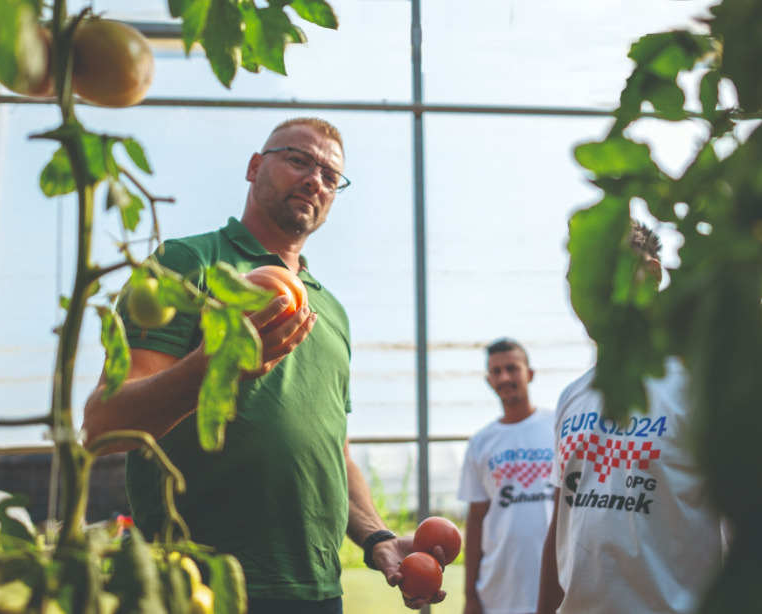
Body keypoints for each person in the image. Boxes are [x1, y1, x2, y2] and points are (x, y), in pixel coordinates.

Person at [82, 118, 445, 613]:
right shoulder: (187, 264)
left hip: (315, 589)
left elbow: (331, 451)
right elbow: (105, 424)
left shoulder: (331, 311)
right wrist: (214, 368)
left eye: (330, 176)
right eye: (299, 159)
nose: (315, 179)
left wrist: (376, 535)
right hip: (199, 586)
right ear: (255, 167)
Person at [536, 223, 725, 614]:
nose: (589, 289)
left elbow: (754, 536)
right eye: (578, 274)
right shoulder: (572, 397)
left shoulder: (701, 391)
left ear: (652, 276)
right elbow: (562, 525)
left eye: (606, 269)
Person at [458, 339, 555, 614]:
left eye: (512, 368)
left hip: (558, 584)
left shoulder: (558, 425)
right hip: (499, 592)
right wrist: (470, 595)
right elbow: (476, 519)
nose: (504, 377)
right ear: (489, 380)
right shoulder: (480, 442)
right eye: (496, 371)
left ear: (530, 374)